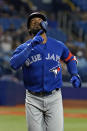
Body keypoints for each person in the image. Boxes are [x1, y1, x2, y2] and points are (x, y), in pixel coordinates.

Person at [10, 12, 81, 131]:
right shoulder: (24, 48)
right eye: (33, 22)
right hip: (33, 98)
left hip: (54, 97)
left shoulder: (58, 45)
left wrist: (74, 74)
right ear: (28, 29)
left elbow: (70, 59)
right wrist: (30, 46)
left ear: (45, 25)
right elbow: (14, 64)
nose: (36, 22)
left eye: (39, 21)